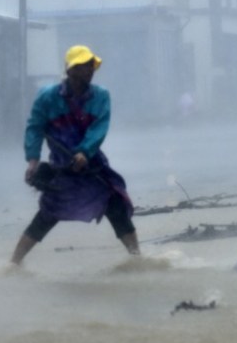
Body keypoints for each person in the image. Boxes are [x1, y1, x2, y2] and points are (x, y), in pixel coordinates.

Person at [10, 45, 140, 265]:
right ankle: (13, 264)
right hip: (62, 167)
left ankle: (138, 259)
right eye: (83, 66)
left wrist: (84, 152)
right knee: (47, 215)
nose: (89, 70)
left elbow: (98, 128)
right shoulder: (47, 97)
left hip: (91, 165)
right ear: (70, 70)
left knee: (115, 206)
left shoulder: (100, 96)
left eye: (91, 65)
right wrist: (32, 160)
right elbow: (35, 127)